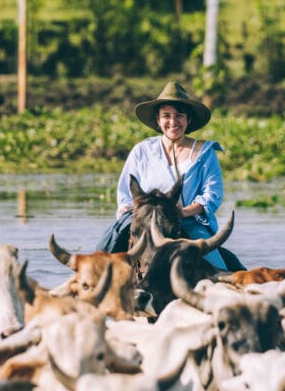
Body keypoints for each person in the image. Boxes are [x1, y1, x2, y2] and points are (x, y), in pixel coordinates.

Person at [97, 80, 237, 271]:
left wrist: (184, 212)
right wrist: (139, 213)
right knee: (104, 255)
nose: (173, 122)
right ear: (158, 120)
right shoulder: (142, 151)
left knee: (221, 270)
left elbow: (212, 195)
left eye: (179, 116)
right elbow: (125, 196)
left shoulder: (205, 152)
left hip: (187, 222)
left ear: (188, 120)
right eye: (166, 116)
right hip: (144, 222)